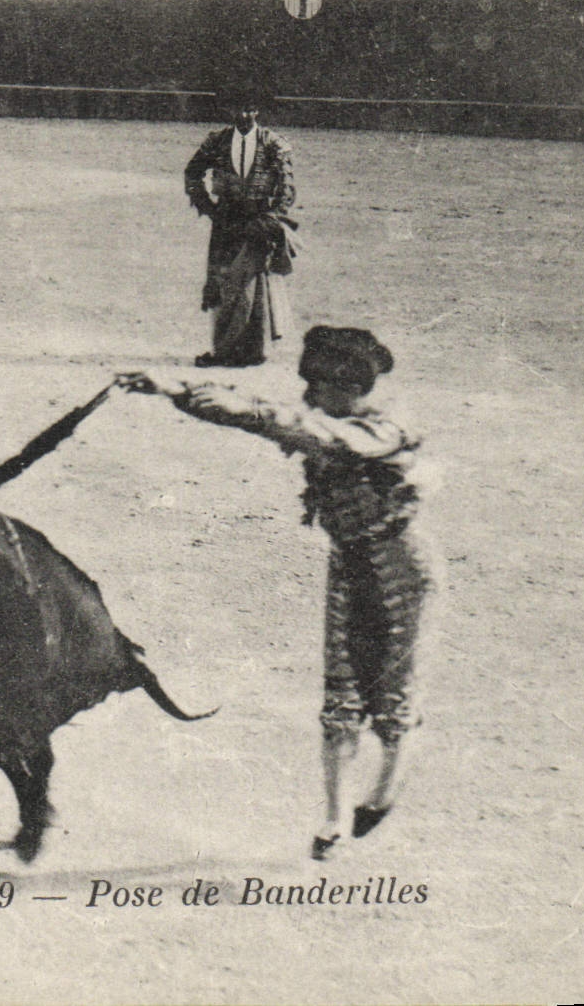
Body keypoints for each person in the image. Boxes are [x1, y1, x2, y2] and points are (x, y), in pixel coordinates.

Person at [117, 326, 439, 861]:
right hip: (352, 562)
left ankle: (383, 794)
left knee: (394, 692)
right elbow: (267, 410)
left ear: (348, 387)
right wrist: (171, 386)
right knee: (341, 693)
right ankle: (336, 819)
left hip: (403, 567)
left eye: (318, 386)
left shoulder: (382, 428)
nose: (309, 395)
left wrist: (192, 395)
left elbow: (293, 425)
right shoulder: (337, 415)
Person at [183, 86, 298, 368]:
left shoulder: (273, 143)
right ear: (229, 110)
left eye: (250, 109)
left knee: (252, 283)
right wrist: (207, 207)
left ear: (257, 110)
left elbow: (287, 187)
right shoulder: (217, 140)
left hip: (258, 217)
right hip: (226, 217)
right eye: (239, 109)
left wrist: (272, 218)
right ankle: (224, 350)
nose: (244, 115)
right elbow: (192, 172)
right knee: (223, 279)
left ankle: (253, 350)